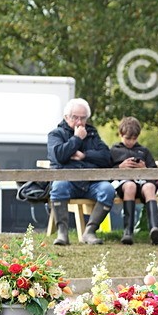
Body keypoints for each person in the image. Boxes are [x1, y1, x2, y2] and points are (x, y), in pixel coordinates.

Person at [47, 98, 114, 245]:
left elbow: (107, 158)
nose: (79, 121)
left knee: (107, 189)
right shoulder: (56, 134)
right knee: (58, 187)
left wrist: (85, 155)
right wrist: (77, 139)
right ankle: (62, 233)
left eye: (82, 118)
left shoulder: (92, 135)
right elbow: (59, 156)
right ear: (66, 117)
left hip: (91, 183)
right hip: (68, 183)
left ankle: (90, 232)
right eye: (75, 117)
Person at [110, 116, 158, 246]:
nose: (131, 142)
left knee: (150, 187)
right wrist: (120, 167)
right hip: (124, 185)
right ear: (121, 134)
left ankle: (155, 229)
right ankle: (128, 231)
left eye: (134, 139)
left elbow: (154, 172)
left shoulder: (143, 151)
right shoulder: (114, 150)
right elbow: (107, 171)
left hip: (143, 183)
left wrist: (144, 168)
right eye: (128, 138)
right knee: (130, 186)